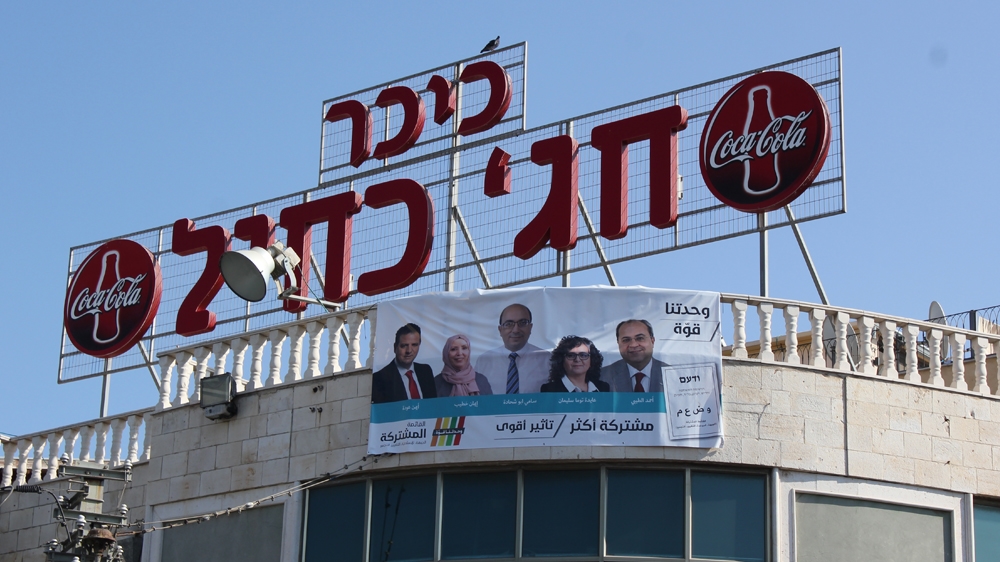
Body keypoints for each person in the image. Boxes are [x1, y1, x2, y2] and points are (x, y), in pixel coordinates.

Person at [474, 303, 550, 394]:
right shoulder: (484, 360)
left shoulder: (547, 360)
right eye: (509, 324)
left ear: (530, 327)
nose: (516, 330)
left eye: (523, 323)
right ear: (500, 330)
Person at [371, 323, 437, 404]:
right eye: (404, 345)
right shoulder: (379, 378)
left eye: (414, 345)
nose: (409, 350)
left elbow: (433, 406)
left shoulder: (426, 371)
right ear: (395, 348)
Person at [599, 319, 667, 392]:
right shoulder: (601, 377)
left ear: (652, 341)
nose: (633, 345)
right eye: (626, 340)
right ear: (618, 343)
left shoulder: (673, 375)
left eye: (640, 338)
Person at [540, 336, 609, 393]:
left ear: (592, 360)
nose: (577, 360)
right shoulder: (549, 390)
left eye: (583, 355)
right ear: (561, 360)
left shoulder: (603, 388)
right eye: (571, 355)